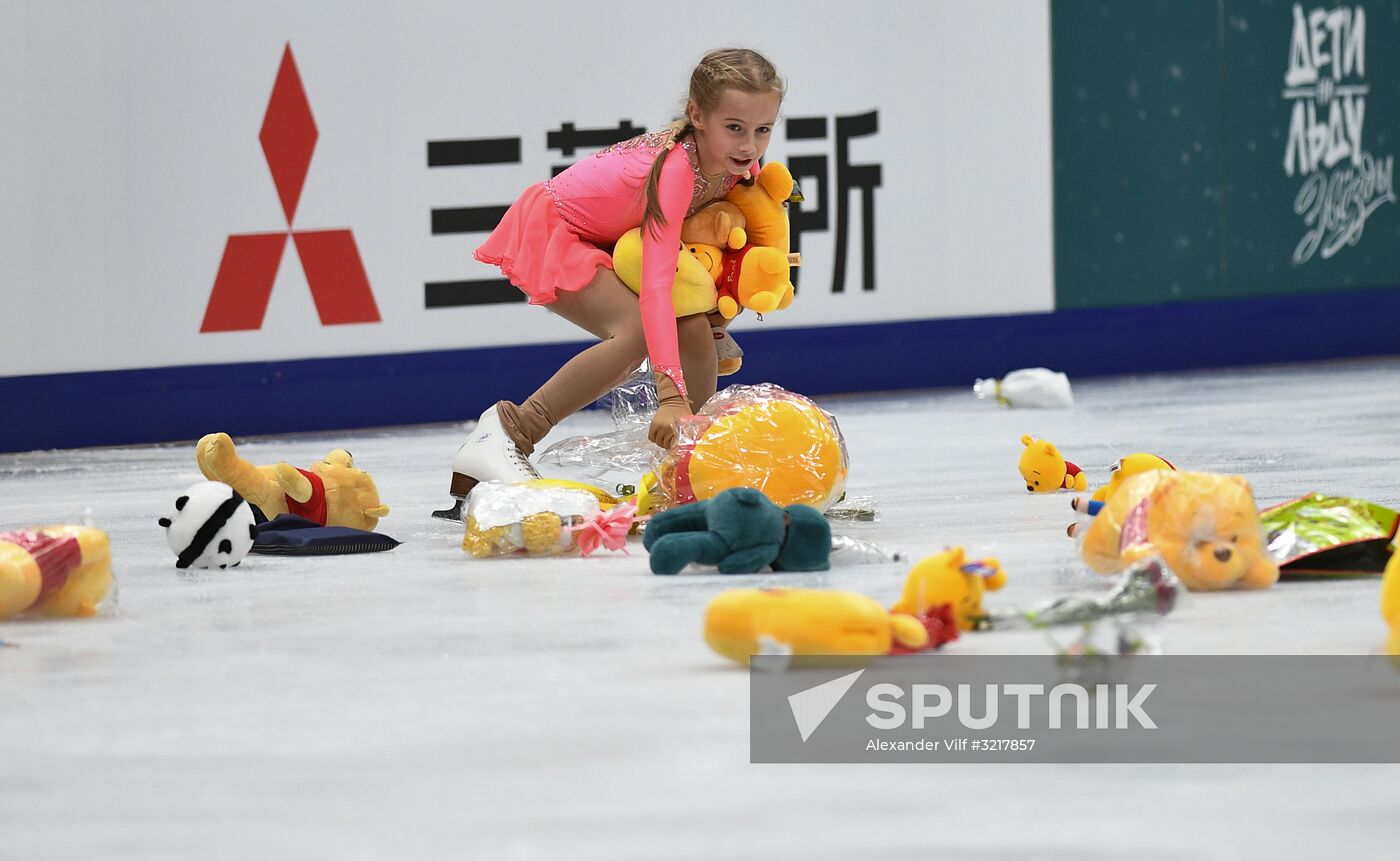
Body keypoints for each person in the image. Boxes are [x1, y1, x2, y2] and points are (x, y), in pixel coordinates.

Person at [445, 47, 785, 504]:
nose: (749, 145)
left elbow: (726, 252)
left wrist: (716, 319)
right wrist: (669, 397)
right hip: (559, 230)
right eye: (735, 128)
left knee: (695, 336)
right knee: (635, 332)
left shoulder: (735, 167)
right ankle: (510, 431)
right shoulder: (676, 172)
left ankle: (690, 462)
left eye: (763, 130)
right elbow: (659, 285)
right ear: (697, 115)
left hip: (617, 239)